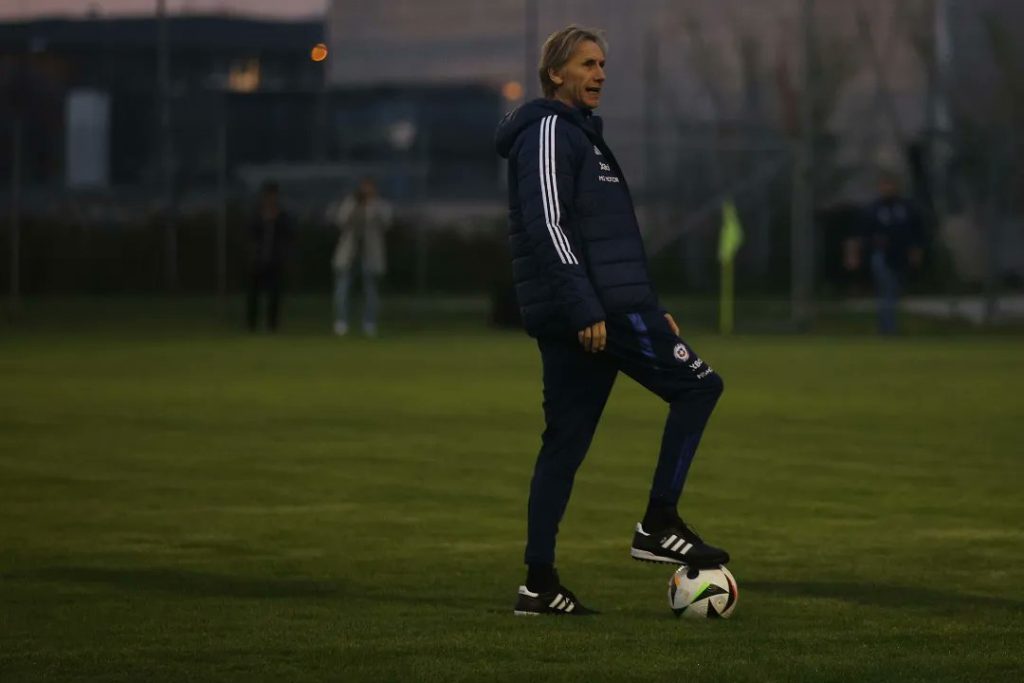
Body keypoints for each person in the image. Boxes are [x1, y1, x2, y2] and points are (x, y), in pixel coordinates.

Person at [495, 25, 729, 616]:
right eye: (587, 64)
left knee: (563, 447)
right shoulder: (549, 129)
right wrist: (589, 308)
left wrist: (653, 310)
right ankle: (658, 522)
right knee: (700, 386)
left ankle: (538, 585)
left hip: (606, 308)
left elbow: (609, 242)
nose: (600, 74)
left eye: (603, 64)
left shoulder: (583, 137)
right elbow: (551, 225)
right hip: (595, 313)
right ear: (556, 74)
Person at [857, 171, 925, 335]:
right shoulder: (874, 209)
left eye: (891, 185)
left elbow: (917, 232)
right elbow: (863, 234)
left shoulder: (906, 208)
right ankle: (887, 329)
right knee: (886, 291)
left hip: (900, 255)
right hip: (881, 255)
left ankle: (889, 326)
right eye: (884, 185)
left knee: (894, 292)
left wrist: (915, 251)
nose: (887, 189)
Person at [328, 178, 393, 337]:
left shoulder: (379, 205)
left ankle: (369, 323)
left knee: (371, 291)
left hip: (370, 255)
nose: (366, 192)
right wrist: (355, 205)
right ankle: (341, 322)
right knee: (342, 290)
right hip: (349, 254)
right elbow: (341, 220)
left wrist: (370, 206)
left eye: (369, 188)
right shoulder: (350, 203)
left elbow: (387, 222)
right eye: (364, 188)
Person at [246, 180, 291, 332]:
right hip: (258, 259)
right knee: (253, 294)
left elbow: (288, 233)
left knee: (274, 294)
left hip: (275, 259)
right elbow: (250, 233)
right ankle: (251, 324)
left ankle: (272, 325)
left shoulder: (282, 214)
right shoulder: (256, 213)